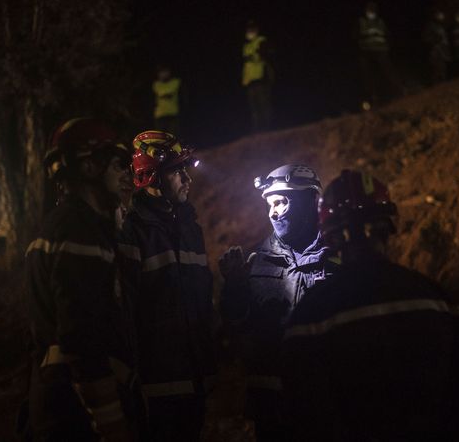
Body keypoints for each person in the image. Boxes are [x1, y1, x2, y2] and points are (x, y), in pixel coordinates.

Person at [282, 169, 459, 441]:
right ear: (387, 227)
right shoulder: (438, 300)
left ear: (331, 237)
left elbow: (304, 414)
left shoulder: (310, 316)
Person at [25, 117, 139, 441]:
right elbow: (82, 339)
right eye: (117, 165)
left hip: (56, 403)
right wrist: (112, 423)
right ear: (89, 168)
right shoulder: (80, 233)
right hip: (74, 414)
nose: (124, 175)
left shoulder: (62, 225)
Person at [220, 164, 337, 441]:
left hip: (326, 403)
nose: (273, 213)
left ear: (309, 202)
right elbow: (235, 326)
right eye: (270, 205)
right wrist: (235, 288)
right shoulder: (257, 263)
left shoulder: (338, 258)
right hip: (271, 407)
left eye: (281, 202)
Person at [118, 130, 215, 441]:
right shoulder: (133, 234)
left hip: (196, 379)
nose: (187, 179)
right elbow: (124, 313)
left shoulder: (190, 229)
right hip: (155, 387)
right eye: (177, 171)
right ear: (152, 178)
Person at [357, 1, 401, 110]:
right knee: (370, 77)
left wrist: (387, 46)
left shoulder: (380, 22)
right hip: (367, 52)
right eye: (369, 10)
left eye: (372, 10)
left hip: (381, 51)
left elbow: (387, 35)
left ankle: (398, 93)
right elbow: (356, 36)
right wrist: (360, 49)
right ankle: (374, 99)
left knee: (388, 72)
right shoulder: (361, 22)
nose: (371, 12)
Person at [242, 20, 274, 133]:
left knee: (264, 105)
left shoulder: (261, 40)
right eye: (248, 29)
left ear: (256, 30)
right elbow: (246, 63)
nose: (250, 31)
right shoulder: (247, 46)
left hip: (261, 78)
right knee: (254, 108)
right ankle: (258, 131)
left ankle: (267, 129)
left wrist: (257, 54)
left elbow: (265, 55)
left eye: (252, 29)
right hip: (250, 81)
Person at [152, 66, 182, 136]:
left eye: (165, 72)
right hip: (160, 114)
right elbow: (160, 92)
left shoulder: (176, 81)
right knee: (161, 137)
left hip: (173, 113)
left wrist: (165, 94)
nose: (163, 74)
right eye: (161, 73)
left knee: (173, 135)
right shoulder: (156, 84)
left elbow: (169, 93)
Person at [423, 10, 451, 84]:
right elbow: (426, 38)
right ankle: (435, 86)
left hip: (443, 51)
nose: (441, 18)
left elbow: (445, 40)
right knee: (436, 69)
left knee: (443, 69)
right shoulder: (431, 26)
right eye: (439, 16)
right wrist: (435, 40)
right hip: (435, 50)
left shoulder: (442, 27)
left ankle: (443, 85)